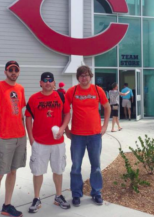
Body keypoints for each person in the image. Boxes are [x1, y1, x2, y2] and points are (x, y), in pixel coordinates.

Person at [0, 61, 27, 217]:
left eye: (16, 70)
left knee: (13, 172)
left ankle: (7, 205)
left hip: (19, 136)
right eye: (11, 70)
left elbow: (20, 113)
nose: (13, 72)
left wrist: (25, 135)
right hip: (4, 137)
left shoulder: (20, 88)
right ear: (5, 72)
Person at [65, 65, 111, 207]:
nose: (84, 78)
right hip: (77, 136)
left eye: (86, 75)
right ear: (78, 77)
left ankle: (96, 192)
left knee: (96, 166)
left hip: (95, 135)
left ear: (90, 76)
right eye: (81, 75)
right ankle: (76, 194)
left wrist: (104, 127)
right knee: (76, 167)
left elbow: (107, 107)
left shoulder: (98, 90)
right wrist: (66, 129)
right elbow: (65, 111)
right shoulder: (72, 92)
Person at [25, 72, 71, 213]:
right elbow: (27, 117)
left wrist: (63, 129)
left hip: (57, 142)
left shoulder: (61, 96)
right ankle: (37, 198)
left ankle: (58, 196)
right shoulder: (33, 99)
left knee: (58, 169)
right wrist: (31, 138)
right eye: (45, 81)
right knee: (38, 171)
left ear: (54, 83)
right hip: (40, 142)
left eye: (50, 81)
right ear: (40, 83)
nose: (48, 83)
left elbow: (67, 114)